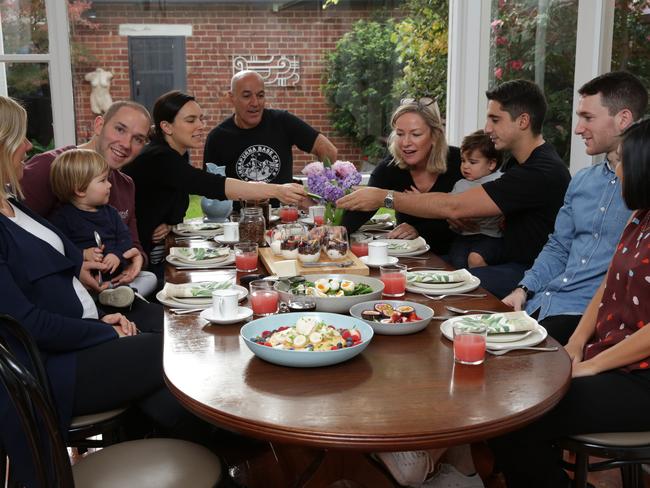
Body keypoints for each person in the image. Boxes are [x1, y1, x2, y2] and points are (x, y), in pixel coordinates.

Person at [0, 95, 198, 486]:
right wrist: (103, 330)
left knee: (172, 356)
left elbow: (50, 256)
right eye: (21, 138)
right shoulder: (44, 174)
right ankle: (208, 453)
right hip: (52, 366)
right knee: (177, 350)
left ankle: (178, 456)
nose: (28, 146)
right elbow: (24, 323)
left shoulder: (12, 202)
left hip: (86, 324)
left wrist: (80, 265)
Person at [490, 117, 650, 488]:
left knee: (518, 413)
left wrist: (593, 367)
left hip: (641, 379)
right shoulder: (640, 218)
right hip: (611, 360)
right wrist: (576, 345)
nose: (618, 169)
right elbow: (608, 285)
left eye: (624, 161)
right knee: (508, 398)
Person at [338, 80, 571, 298]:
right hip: (498, 260)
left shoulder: (540, 171)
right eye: (400, 134)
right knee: (411, 277)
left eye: (495, 119)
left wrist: (384, 198)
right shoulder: (515, 163)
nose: (487, 128)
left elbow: (454, 205)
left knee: (429, 285)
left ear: (523, 121)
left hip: (529, 272)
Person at [501, 71, 646, 345]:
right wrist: (523, 288)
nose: (578, 128)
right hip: (544, 303)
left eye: (588, 117)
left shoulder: (642, 194)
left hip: (589, 320)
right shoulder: (582, 181)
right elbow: (559, 247)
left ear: (623, 119)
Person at [123, 90, 308, 264]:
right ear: (166, 126)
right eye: (191, 120)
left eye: (200, 119)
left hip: (158, 247)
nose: (201, 126)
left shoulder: (175, 153)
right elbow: (213, 185)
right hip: (136, 256)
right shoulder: (160, 158)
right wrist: (277, 190)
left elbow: (169, 206)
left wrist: (168, 224)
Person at [20, 100, 155, 294]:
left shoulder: (126, 184)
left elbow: (133, 242)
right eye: (119, 129)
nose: (126, 144)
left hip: (113, 280)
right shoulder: (51, 167)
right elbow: (13, 240)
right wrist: (73, 264)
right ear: (99, 125)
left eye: (138, 139)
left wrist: (138, 259)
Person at [341, 98, 462, 255]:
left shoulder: (461, 162)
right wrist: (339, 229)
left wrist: (420, 230)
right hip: (411, 259)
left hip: (459, 255)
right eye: (400, 134)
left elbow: (466, 220)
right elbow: (365, 206)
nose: (405, 142)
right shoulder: (390, 167)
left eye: (415, 134)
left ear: (435, 136)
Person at [49, 149, 157, 307]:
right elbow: (57, 251)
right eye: (103, 181)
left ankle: (116, 296)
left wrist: (116, 255)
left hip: (116, 278)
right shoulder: (63, 218)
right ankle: (113, 299)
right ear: (80, 189)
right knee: (72, 292)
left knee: (150, 278)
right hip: (87, 282)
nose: (110, 184)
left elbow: (125, 239)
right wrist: (82, 254)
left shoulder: (111, 213)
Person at [203, 70, 337, 186]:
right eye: (247, 96)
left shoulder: (282, 121)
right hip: (239, 215)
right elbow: (210, 188)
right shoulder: (218, 138)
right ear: (232, 98)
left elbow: (328, 150)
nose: (255, 103)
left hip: (284, 212)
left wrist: (321, 187)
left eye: (260, 95)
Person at [448, 130, 503, 269]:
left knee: (476, 259)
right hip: (464, 236)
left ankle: (484, 286)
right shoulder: (460, 184)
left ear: (491, 164)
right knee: (457, 262)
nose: (465, 166)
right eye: (463, 160)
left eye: (472, 162)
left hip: (491, 236)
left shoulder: (499, 180)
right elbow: (446, 206)